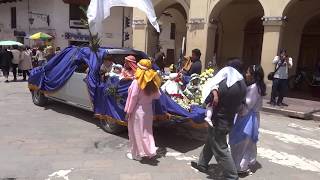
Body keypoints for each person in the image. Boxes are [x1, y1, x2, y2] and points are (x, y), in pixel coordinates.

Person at [191, 58, 247, 180]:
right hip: (229, 118)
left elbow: (210, 98)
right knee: (211, 141)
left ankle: (232, 175)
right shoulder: (242, 84)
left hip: (219, 119)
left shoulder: (225, 84)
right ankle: (202, 164)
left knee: (220, 148)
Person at [229, 65, 266, 175]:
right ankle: (242, 164)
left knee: (241, 142)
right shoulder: (258, 86)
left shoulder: (254, 88)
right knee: (247, 142)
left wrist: (238, 109)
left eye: (248, 72)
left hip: (247, 117)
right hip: (251, 116)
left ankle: (240, 166)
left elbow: (248, 104)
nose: (246, 74)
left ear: (254, 75)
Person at [124, 59, 162, 161]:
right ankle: (149, 151)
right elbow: (157, 95)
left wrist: (128, 112)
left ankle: (136, 154)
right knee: (147, 132)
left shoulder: (136, 82)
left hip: (138, 110)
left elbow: (132, 98)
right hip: (148, 109)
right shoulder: (152, 81)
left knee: (135, 132)